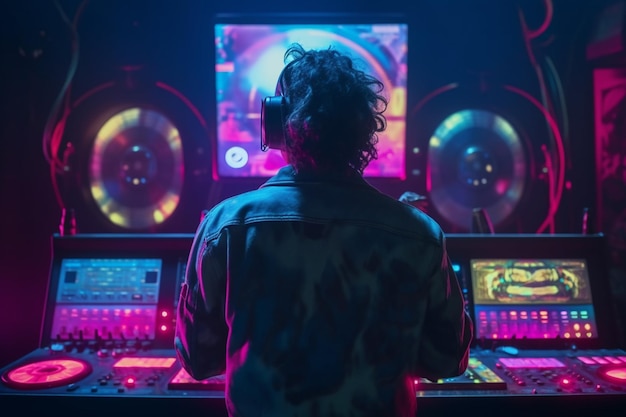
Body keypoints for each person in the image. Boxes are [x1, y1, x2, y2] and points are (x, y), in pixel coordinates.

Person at [175, 43, 473, 417]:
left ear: (277, 124)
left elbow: (198, 360)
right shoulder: (420, 235)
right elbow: (446, 360)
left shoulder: (224, 227)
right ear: (366, 131)